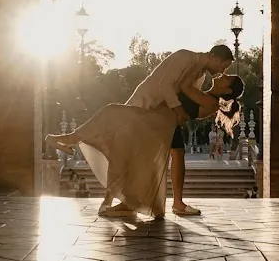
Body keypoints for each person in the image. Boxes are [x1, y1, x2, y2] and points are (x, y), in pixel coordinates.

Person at [47, 44, 244, 218]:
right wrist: (177, 109)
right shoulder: (186, 58)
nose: (222, 73)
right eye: (223, 67)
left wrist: (178, 111)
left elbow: (185, 95)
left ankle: (129, 201)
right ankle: (70, 142)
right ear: (214, 57)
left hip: (160, 119)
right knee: (118, 130)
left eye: (225, 74)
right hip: (148, 106)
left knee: (131, 142)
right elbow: (167, 87)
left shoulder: (202, 82)